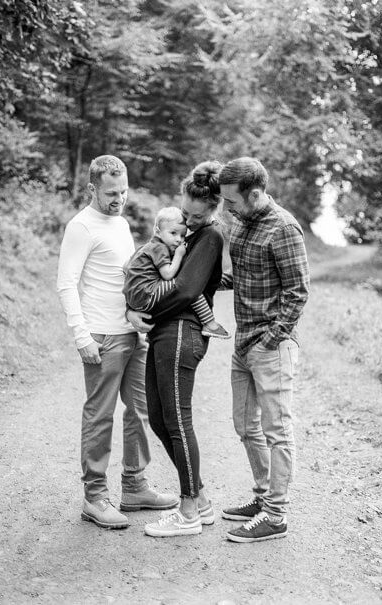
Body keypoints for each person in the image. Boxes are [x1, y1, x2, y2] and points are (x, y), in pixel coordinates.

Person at [56, 154, 179, 530]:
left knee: (141, 410)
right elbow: (66, 283)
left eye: (123, 191)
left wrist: (136, 314)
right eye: (111, 192)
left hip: (131, 333)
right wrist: (81, 336)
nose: (119, 198)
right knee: (100, 415)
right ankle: (94, 497)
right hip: (101, 338)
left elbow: (125, 280)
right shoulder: (81, 227)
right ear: (92, 188)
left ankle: (135, 485)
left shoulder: (121, 224)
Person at [126, 161, 226, 538]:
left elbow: (185, 290)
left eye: (196, 215)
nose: (188, 220)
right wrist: (133, 311)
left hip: (183, 332)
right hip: (164, 332)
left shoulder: (211, 235)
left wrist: (144, 310)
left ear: (214, 209)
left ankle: (188, 512)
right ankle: (199, 500)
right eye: (184, 213)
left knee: (178, 420)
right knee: (157, 416)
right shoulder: (187, 234)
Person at [217, 157, 309, 543]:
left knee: (276, 430)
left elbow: (298, 291)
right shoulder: (242, 221)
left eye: (232, 201)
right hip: (244, 342)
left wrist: (272, 338)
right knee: (245, 426)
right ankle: (262, 497)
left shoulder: (284, 228)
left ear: (255, 194)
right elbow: (244, 276)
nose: (226, 208)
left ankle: (276, 514)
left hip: (271, 346)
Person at [123, 206, 230, 339]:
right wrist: (179, 254)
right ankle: (210, 324)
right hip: (146, 294)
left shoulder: (145, 248)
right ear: (157, 231)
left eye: (182, 235)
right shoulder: (159, 248)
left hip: (134, 299)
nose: (179, 239)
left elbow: (125, 267)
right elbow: (167, 274)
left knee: (186, 285)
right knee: (190, 286)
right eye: (173, 233)